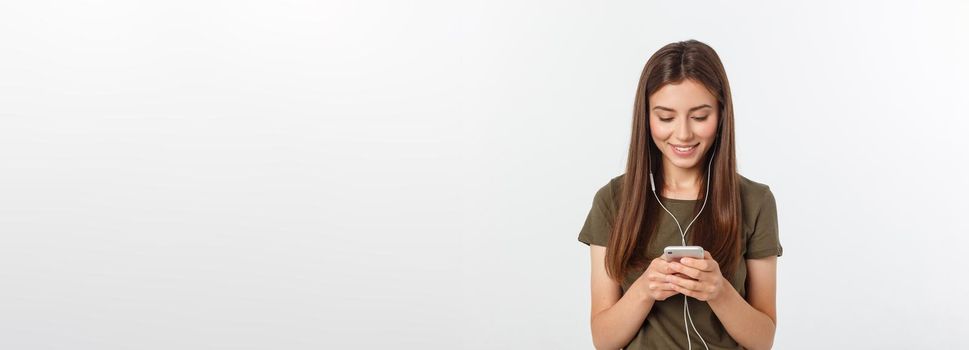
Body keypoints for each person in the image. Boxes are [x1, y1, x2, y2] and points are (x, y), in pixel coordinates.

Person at [577, 39, 783, 350]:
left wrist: (719, 291)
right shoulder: (613, 201)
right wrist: (645, 288)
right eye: (665, 117)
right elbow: (603, 339)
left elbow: (763, 339)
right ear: (646, 118)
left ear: (722, 115)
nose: (683, 133)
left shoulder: (755, 201)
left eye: (700, 117)